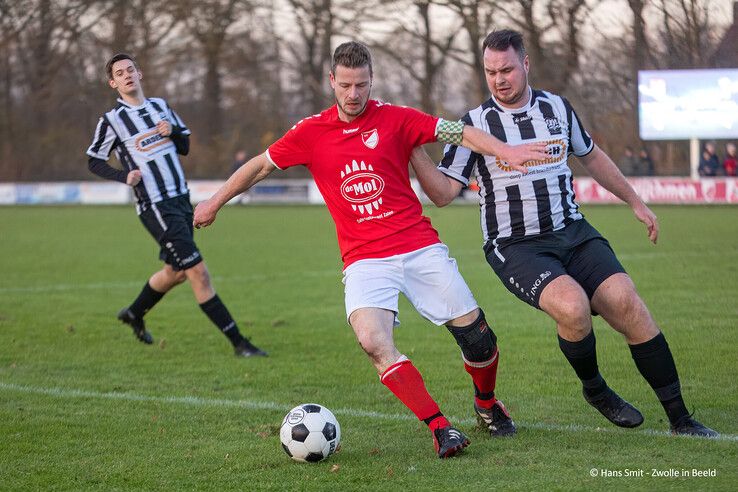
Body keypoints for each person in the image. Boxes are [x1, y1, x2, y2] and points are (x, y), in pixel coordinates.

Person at [194, 41, 549, 458]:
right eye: (345, 85)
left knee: (478, 340)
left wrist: (504, 150)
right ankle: (439, 427)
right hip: (364, 259)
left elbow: (458, 131)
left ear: (371, 80)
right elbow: (259, 166)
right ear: (332, 81)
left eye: (361, 84)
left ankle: (487, 405)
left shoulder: (397, 119)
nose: (353, 94)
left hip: (419, 246)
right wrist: (214, 201)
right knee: (372, 340)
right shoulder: (310, 132)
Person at [409, 29, 717, 437]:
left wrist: (635, 201)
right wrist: (413, 150)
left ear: (525, 65)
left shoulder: (557, 108)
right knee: (572, 307)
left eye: (506, 69)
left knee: (627, 303)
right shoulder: (474, 126)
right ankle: (597, 390)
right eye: (490, 72)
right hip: (515, 245)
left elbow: (592, 157)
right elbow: (445, 193)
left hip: (572, 231)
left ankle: (682, 419)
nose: (499, 79)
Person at [85, 53, 266, 358]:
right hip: (155, 205)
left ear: (140, 74)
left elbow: (184, 146)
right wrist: (122, 176)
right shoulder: (112, 121)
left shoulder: (160, 106)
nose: (127, 75)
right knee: (197, 271)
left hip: (181, 199)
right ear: (112, 82)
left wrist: (174, 131)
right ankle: (239, 343)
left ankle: (134, 313)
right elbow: (93, 160)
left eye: (131, 69)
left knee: (176, 271)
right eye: (120, 73)